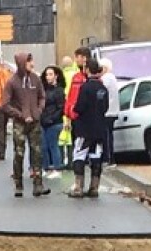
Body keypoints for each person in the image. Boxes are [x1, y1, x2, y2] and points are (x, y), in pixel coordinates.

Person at [1, 53, 47, 198]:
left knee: (37, 153)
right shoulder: (12, 82)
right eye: (29, 61)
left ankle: (38, 184)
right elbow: (5, 104)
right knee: (19, 154)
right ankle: (18, 185)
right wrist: (20, 115)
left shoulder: (36, 79)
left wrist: (39, 110)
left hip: (35, 122)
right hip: (20, 123)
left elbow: (42, 96)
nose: (32, 64)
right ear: (21, 63)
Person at [69, 58, 110, 199]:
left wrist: (73, 109)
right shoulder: (103, 88)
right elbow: (105, 108)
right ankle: (94, 187)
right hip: (99, 129)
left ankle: (78, 188)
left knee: (79, 156)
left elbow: (80, 107)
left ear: (87, 70)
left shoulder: (85, 87)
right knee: (96, 156)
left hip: (84, 128)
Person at [64, 47, 92, 194]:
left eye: (78, 57)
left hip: (83, 119)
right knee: (81, 151)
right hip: (77, 119)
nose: (76, 60)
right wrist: (68, 117)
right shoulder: (76, 77)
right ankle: (83, 185)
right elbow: (70, 98)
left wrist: (72, 114)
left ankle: (81, 187)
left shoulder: (89, 78)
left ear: (85, 58)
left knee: (81, 152)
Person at [40, 65, 66, 179]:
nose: (48, 77)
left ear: (56, 76)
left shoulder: (59, 90)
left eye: (50, 74)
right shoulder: (44, 89)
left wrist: (52, 119)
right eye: (46, 74)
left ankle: (57, 168)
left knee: (53, 145)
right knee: (43, 146)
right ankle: (46, 168)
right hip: (43, 121)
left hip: (54, 122)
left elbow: (61, 108)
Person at [99, 58, 120, 168]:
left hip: (107, 112)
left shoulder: (106, 79)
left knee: (106, 136)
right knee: (108, 135)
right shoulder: (112, 78)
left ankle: (109, 159)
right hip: (112, 111)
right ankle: (109, 158)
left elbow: (101, 93)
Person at [58, 55, 77, 166]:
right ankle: (71, 161)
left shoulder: (62, 76)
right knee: (71, 137)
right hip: (74, 108)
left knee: (61, 136)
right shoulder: (76, 75)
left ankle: (60, 161)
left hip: (63, 107)